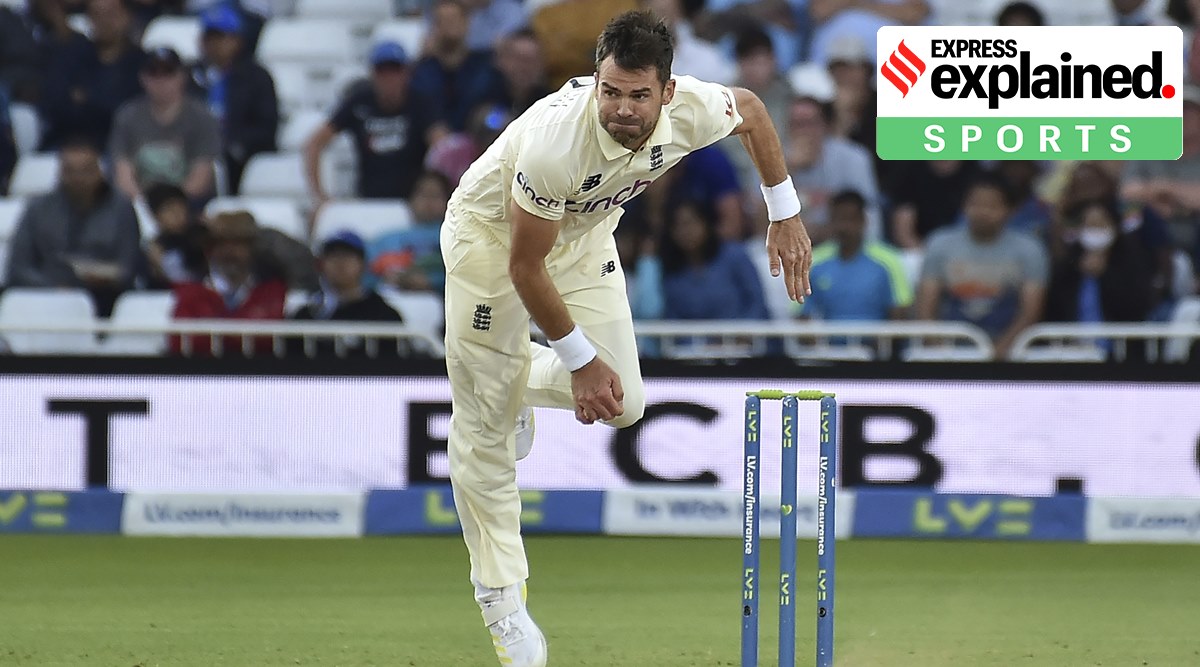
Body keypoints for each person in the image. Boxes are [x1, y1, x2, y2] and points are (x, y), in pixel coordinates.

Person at [440, 11, 811, 666]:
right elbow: (524, 266)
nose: (622, 108)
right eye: (610, 91)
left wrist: (785, 212)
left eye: (639, 95)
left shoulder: (692, 108)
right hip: (491, 240)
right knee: (483, 423)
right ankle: (500, 596)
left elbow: (750, 109)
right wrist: (578, 362)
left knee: (625, 403)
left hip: (582, 240)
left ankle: (513, 375)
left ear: (668, 92)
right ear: (595, 79)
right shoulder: (558, 142)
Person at [915, 173, 1049, 360]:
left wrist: (996, 354)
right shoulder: (940, 244)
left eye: (992, 206)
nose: (982, 212)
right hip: (949, 348)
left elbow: (1030, 313)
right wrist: (942, 352)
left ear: (1010, 210)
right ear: (964, 206)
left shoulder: (1030, 249)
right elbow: (926, 308)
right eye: (975, 204)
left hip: (1009, 353)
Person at [6, 137, 142, 316]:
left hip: (105, 299)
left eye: (85, 171)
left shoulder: (121, 209)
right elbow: (18, 267)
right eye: (70, 171)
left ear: (99, 171)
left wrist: (108, 277)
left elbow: (129, 265)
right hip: (45, 296)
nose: (78, 178)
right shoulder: (38, 209)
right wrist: (53, 287)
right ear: (60, 172)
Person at [304, 41, 434, 203]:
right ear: (373, 74)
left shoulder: (420, 103)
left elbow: (440, 145)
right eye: (382, 72)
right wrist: (319, 196)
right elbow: (315, 143)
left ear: (406, 73)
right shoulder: (359, 103)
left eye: (395, 71)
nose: (389, 78)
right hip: (368, 200)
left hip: (411, 204)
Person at [110, 47, 222, 203]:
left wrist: (170, 206)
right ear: (143, 78)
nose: (161, 81)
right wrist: (142, 202)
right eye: (154, 74)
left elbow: (200, 177)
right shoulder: (127, 116)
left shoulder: (202, 117)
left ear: (182, 77)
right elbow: (122, 172)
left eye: (168, 73)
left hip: (190, 205)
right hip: (138, 203)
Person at [188, 4, 279, 194]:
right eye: (208, 37)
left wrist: (231, 144)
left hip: (238, 160)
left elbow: (266, 127)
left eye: (220, 37)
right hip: (194, 154)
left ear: (236, 40)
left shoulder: (256, 78)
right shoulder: (190, 75)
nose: (213, 44)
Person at [169, 210, 286, 357]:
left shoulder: (272, 292)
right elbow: (182, 342)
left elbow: (266, 340)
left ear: (252, 248)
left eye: (238, 244)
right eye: (221, 244)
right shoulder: (190, 293)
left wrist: (216, 330)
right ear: (209, 249)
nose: (229, 251)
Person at [39, 0, 146, 151]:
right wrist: (104, 102)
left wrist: (86, 99)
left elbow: (130, 112)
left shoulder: (140, 63)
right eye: (96, 14)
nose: (103, 21)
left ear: (128, 16)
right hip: (66, 141)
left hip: (120, 146)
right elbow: (55, 104)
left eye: (110, 14)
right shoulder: (71, 56)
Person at [290, 231, 408, 358]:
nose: (340, 263)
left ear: (362, 264)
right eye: (332, 256)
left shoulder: (384, 315)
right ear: (322, 265)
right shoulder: (306, 315)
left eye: (347, 255)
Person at [801, 189, 910, 322]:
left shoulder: (889, 260)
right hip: (827, 342)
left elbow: (900, 313)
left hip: (878, 342)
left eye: (850, 219)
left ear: (863, 220)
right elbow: (801, 315)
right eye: (837, 219)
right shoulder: (814, 261)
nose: (843, 227)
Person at [410, 0, 501, 134]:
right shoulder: (422, 72)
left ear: (467, 23)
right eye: (443, 21)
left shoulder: (485, 67)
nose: (449, 27)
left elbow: (494, 109)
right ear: (434, 27)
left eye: (454, 20)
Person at [369, 170, 450, 294]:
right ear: (410, 200)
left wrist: (432, 282)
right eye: (423, 194)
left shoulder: (456, 238)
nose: (428, 201)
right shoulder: (386, 239)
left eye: (435, 195)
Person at [140, 182, 207, 288]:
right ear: (156, 216)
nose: (177, 214)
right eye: (170, 210)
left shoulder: (200, 237)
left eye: (180, 207)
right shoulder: (154, 248)